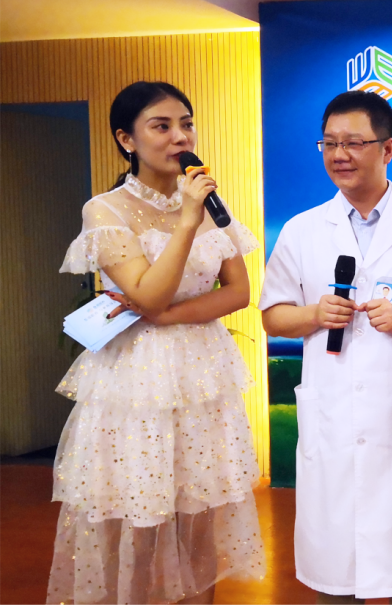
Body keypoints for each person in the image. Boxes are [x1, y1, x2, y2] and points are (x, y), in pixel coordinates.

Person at [47, 81, 266, 605]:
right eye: (161, 126)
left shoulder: (210, 203)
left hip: (202, 374)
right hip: (136, 378)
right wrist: (186, 223)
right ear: (127, 140)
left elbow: (238, 292)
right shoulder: (106, 209)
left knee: (201, 513)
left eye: (186, 124)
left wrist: (165, 316)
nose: (180, 137)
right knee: (139, 517)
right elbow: (147, 294)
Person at [260, 91, 392, 604]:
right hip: (334, 420)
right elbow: (272, 314)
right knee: (334, 575)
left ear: (387, 149)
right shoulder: (302, 229)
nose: (339, 154)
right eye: (329, 143)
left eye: (353, 143)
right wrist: (314, 315)